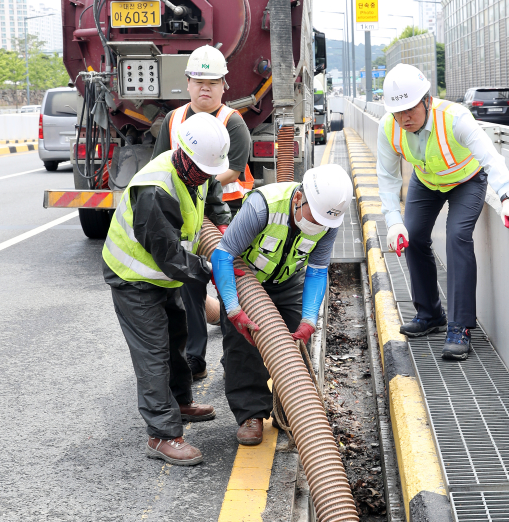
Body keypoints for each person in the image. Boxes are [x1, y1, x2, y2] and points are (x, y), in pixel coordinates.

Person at [377, 63, 509, 361]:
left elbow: (490, 156)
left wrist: (508, 196)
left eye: (410, 109)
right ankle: (430, 314)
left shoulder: (455, 118)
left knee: (457, 235)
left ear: (426, 100)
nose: (404, 118)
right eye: (398, 112)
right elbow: (387, 178)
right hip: (427, 182)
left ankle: (459, 327)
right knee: (414, 236)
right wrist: (393, 222)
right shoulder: (389, 127)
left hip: (467, 180)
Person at [102, 112, 231, 465]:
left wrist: (227, 242)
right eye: (203, 170)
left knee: (178, 336)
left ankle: (180, 403)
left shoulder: (198, 170)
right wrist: (211, 270)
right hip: (134, 278)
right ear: (184, 155)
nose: (207, 177)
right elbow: (169, 256)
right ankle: (161, 435)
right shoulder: (156, 189)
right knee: (153, 353)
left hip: (162, 276)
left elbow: (215, 206)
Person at [211, 165, 353, 446]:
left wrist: (309, 318)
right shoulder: (262, 206)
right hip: (247, 278)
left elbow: (317, 269)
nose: (319, 225)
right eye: (316, 216)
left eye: (326, 220)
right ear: (300, 197)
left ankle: (287, 405)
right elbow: (223, 254)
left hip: (288, 280)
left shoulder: (329, 221)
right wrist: (232, 307)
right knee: (244, 344)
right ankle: (250, 414)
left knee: (291, 344)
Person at [152, 45, 253, 381]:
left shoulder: (232, 122)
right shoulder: (173, 120)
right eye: (198, 80)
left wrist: (194, 182)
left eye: (213, 81)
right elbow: (159, 167)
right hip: (184, 220)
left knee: (231, 286)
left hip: (228, 218)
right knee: (188, 287)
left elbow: (233, 171)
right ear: (188, 83)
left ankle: (234, 356)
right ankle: (194, 357)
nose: (205, 87)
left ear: (225, 85)